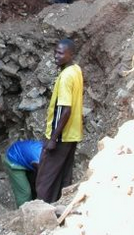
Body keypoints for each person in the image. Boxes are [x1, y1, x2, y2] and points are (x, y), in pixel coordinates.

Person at [36, 39, 84, 203]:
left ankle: (41, 216)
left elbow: (65, 110)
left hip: (61, 136)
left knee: (44, 180)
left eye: (61, 53)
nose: (56, 56)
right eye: (55, 52)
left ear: (71, 55)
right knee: (63, 176)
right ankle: (59, 208)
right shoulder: (76, 70)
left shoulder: (65, 77)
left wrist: (53, 138)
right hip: (72, 134)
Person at [3, 140, 43, 207]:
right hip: (13, 159)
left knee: (34, 183)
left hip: (24, 153)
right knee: (25, 192)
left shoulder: (50, 152)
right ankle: (23, 211)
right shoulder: (39, 161)